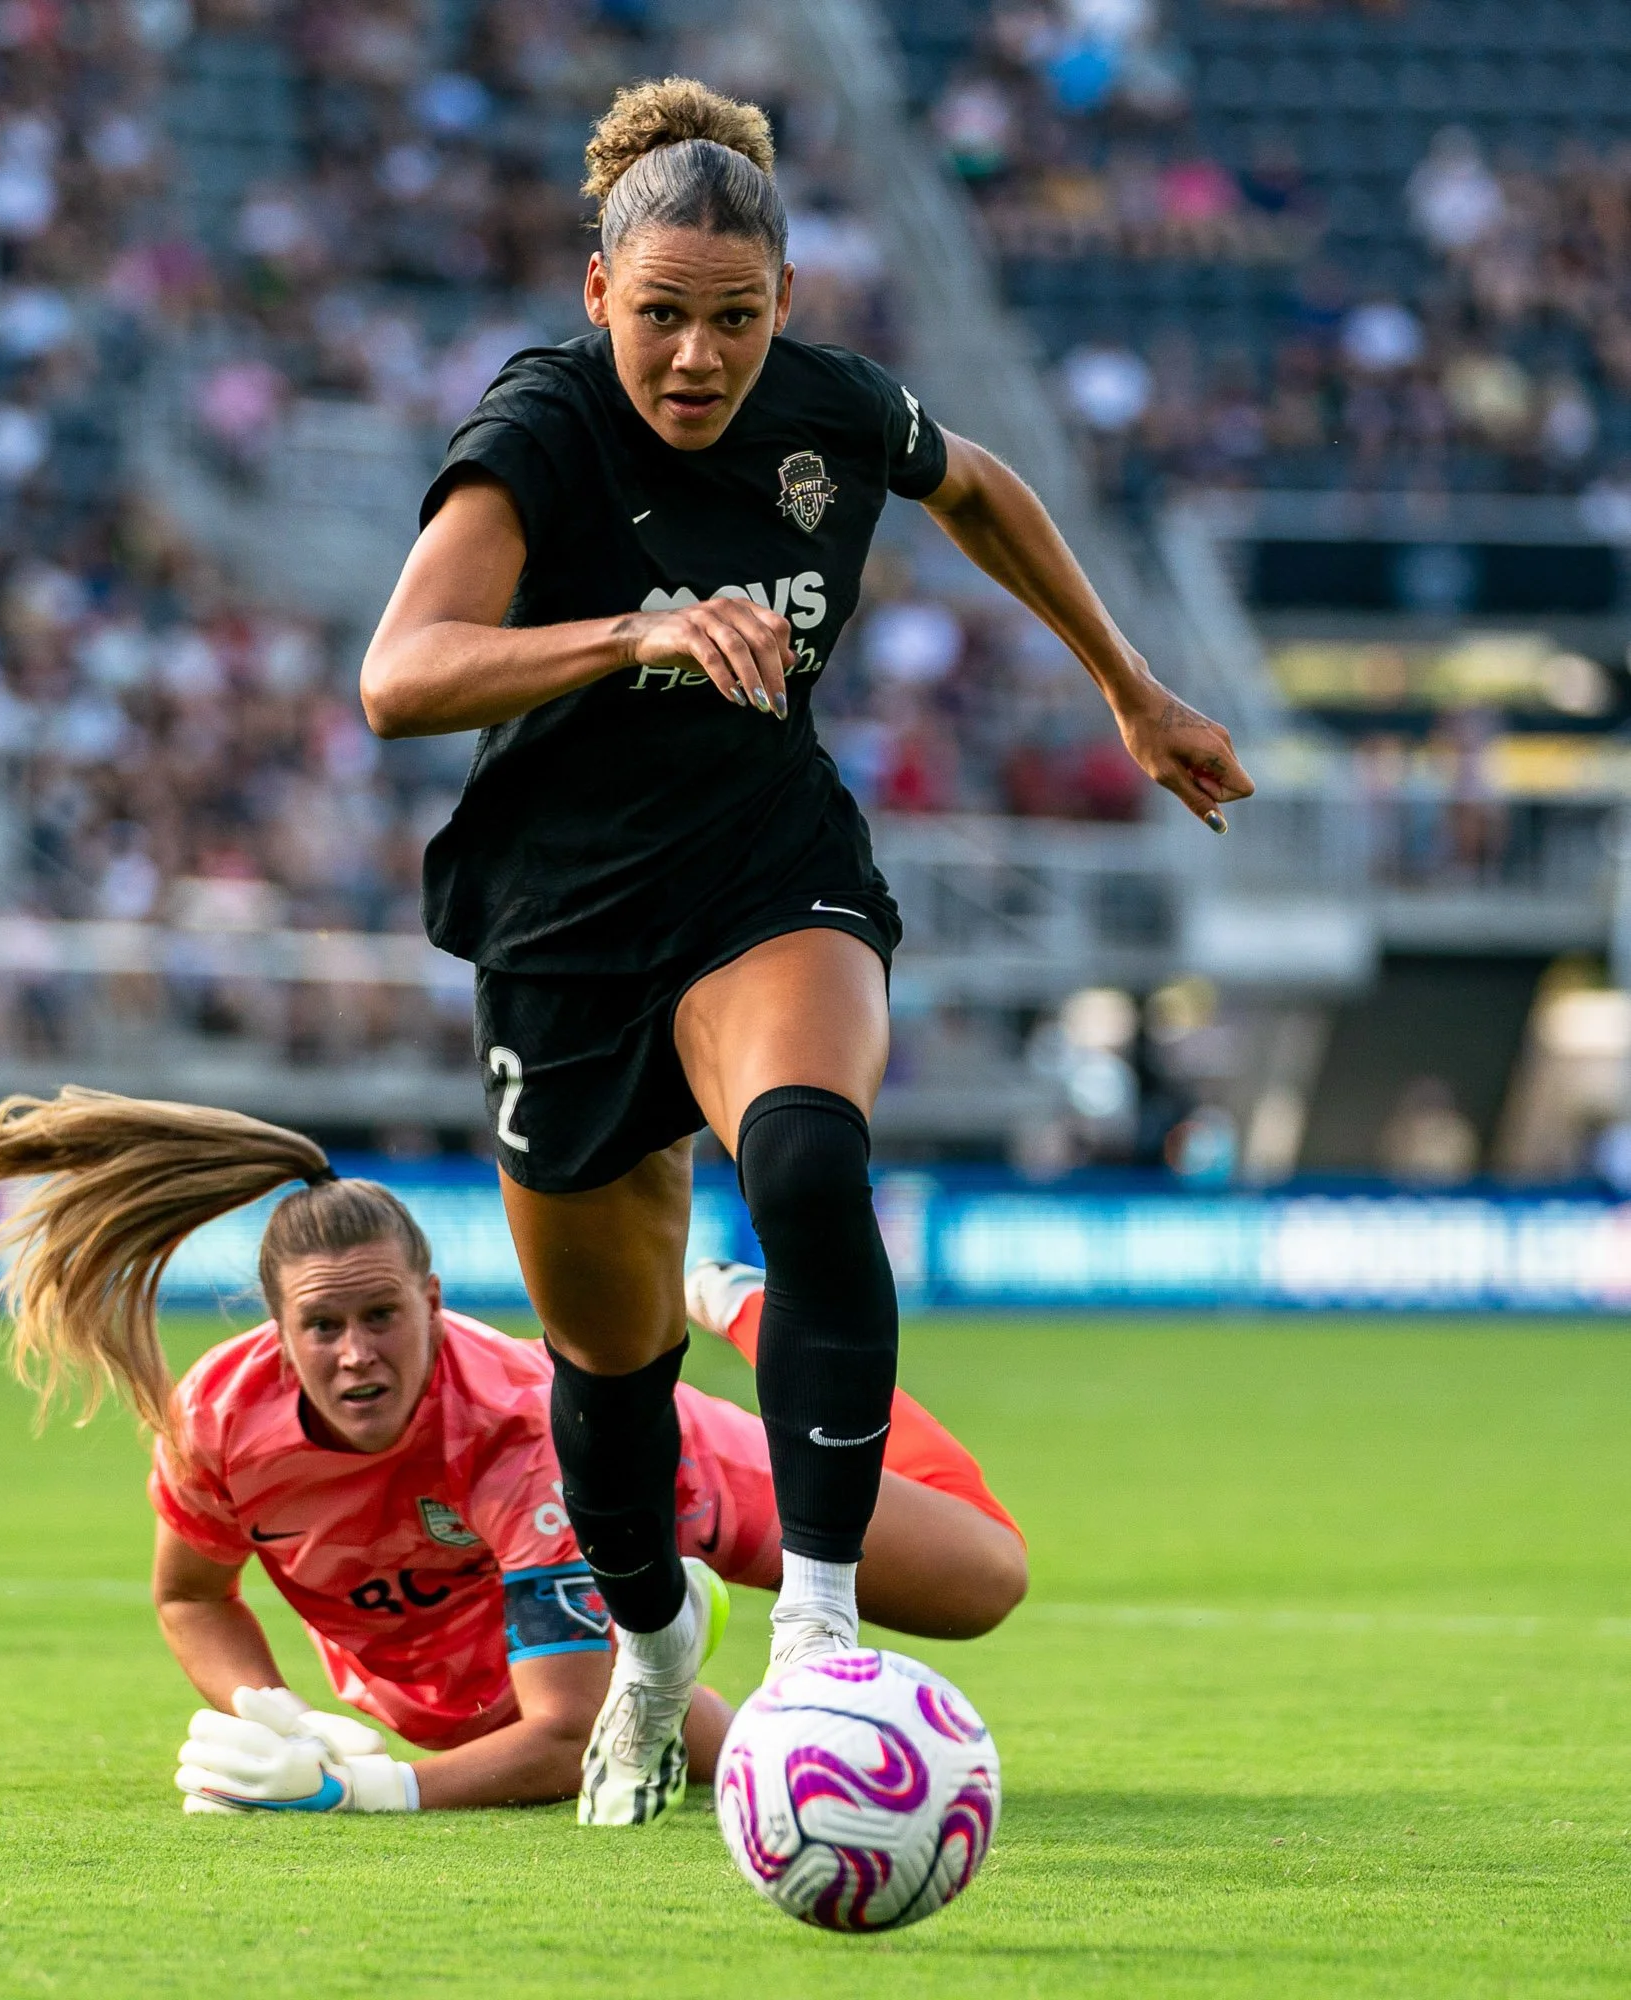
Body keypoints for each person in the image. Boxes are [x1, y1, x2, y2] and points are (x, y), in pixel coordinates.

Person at [356, 76, 1252, 1825]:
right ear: (601, 293)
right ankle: (653, 1651)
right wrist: (633, 633)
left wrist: (1129, 689)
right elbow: (400, 674)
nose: (698, 358)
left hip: (768, 869)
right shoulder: (538, 430)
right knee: (613, 1383)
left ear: (786, 309)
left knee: (811, 1156)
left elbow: (977, 486)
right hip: (565, 930)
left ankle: (823, 1638)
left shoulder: (829, 415)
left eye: (739, 320)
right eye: (665, 316)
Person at [0, 1089, 1025, 1816]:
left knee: (982, 1581)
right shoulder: (214, 1416)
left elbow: (566, 1728)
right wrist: (272, 1711)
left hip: (666, 1476)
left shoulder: (512, 1425)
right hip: (457, 1649)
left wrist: (363, 1793)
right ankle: (666, 1627)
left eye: (381, 1316)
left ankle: (745, 1310)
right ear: (274, 1328)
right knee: (716, 1762)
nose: (354, 1354)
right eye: (322, 1328)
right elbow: (193, 1595)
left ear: (433, 1302)